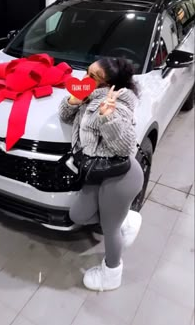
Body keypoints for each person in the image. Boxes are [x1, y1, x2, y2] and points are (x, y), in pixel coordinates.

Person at [59, 57, 144, 291]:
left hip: (120, 176)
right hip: (96, 171)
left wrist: (108, 117)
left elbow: (125, 147)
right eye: (87, 72)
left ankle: (111, 274)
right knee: (78, 215)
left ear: (109, 84)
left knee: (110, 229)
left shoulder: (119, 105)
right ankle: (124, 218)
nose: (85, 79)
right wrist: (72, 101)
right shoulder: (87, 97)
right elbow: (65, 115)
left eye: (93, 77)